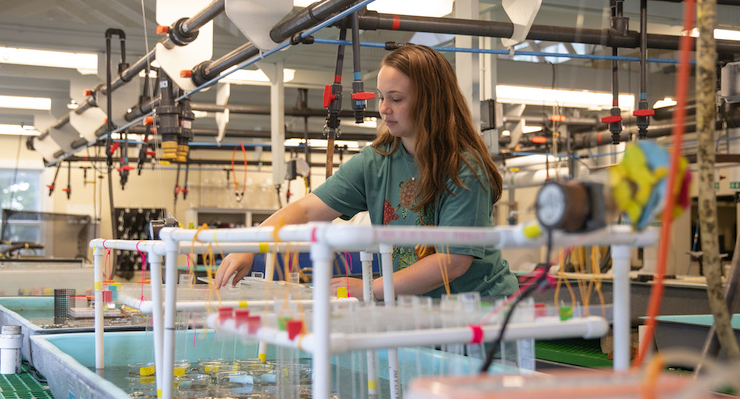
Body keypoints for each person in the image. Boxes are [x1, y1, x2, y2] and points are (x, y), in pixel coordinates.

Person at [216, 44, 518, 300]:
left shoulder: (463, 167)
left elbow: (452, 261)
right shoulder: (377, 161)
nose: (383, 108)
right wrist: (251, 246)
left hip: (482, 311)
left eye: (396, 99)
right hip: (417, 309)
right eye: (381, 96)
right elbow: (307, 210)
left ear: (430, 102)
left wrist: (369, 289)